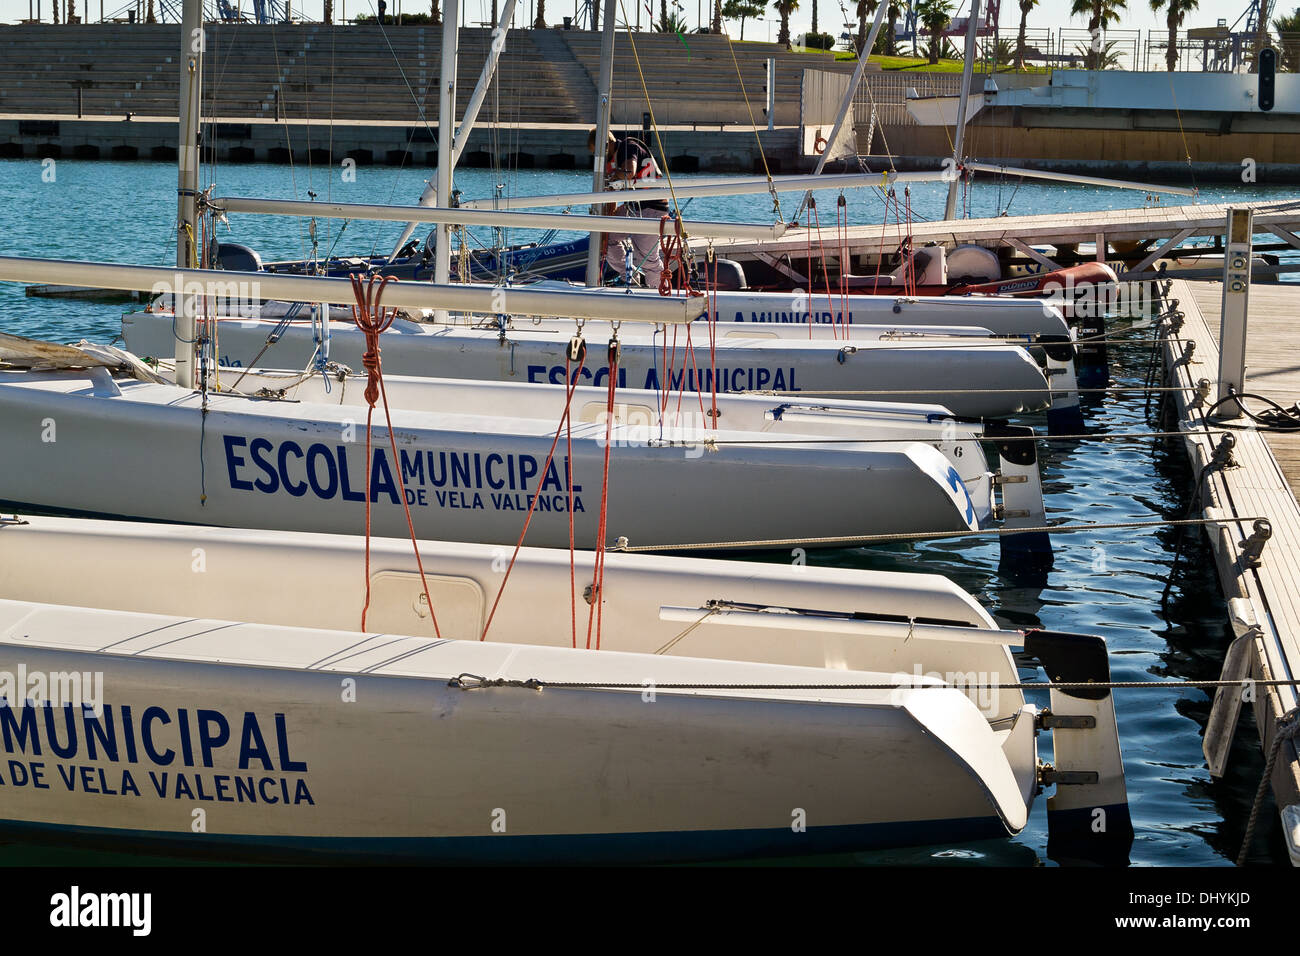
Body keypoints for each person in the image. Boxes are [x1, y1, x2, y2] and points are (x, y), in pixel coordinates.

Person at [587, 129, 667, 288]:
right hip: (634, 207)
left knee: (647, 259)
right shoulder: (613, 161)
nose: (598, 157)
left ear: (607, 145)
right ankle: (631, 277)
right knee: (607, 240)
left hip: (652, 207)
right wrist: (605, 227)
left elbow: (629, 172)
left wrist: (613, 176)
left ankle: (660, 292)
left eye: (598, 152)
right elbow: (612, 198)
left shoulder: (627, 147)